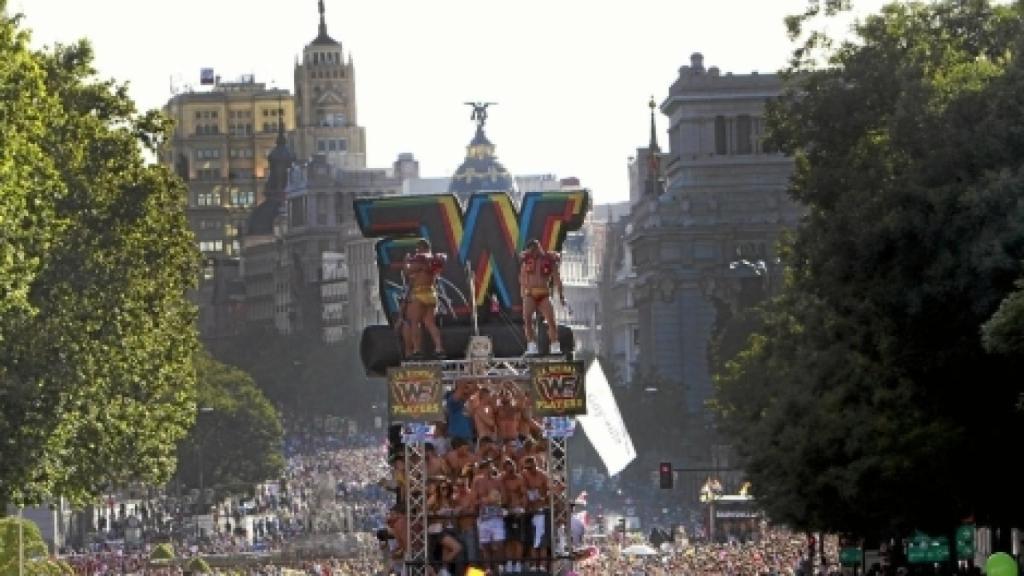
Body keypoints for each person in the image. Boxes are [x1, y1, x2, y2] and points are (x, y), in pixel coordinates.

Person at [518, 239, 565, 355]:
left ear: (539, 247)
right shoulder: (526, 261)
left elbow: (557, 279)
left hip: (543, 293)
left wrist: (561, 296)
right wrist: (523, 293)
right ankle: (531, 345)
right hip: (530, 293)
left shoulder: (549, 260)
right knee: (527, 319)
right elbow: (522, 278)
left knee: (551, 320)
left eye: (535, 249)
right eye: (531, 250)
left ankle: (554, 345)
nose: (533, 252)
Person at [403, 238, 447, 359]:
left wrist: (406, 261)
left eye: (417, 249)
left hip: (419, 293)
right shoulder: (434, 260)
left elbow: (407, 271)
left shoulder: (421, 259)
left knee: (414, 322)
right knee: (430, 323)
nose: (416, 251)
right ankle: (439, 348)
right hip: (431, 293)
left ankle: (417, 349)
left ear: (420, 248)